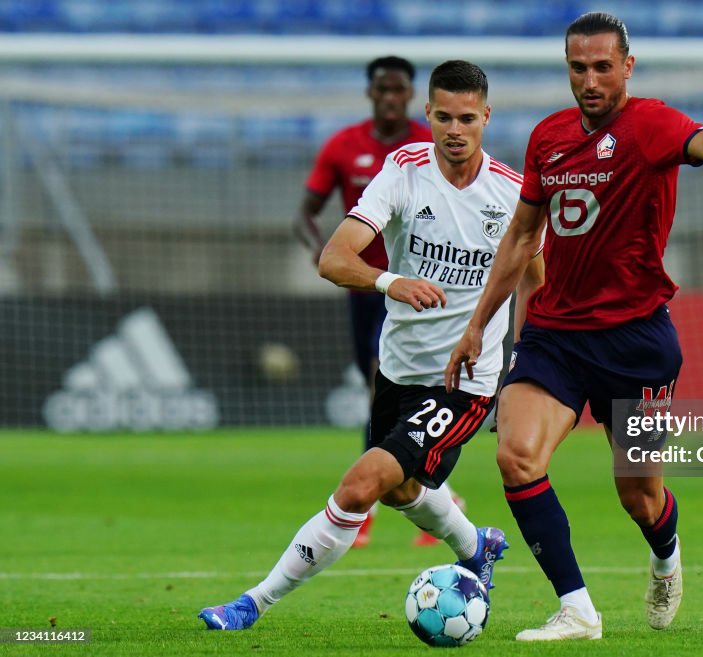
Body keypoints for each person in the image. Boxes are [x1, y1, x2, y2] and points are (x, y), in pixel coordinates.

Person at [445, 12, 703, 641]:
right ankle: (577, 607)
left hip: (635, 341)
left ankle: (666, 555)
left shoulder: (650, 124)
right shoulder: (547, 137)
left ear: (627, 66)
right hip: (554, 333)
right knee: (517, 457)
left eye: (603, 67)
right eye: (579, 68)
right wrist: (477, 325)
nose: (591, 80)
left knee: (638, 497)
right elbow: (523, 236)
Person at [200, 59, 544, 631]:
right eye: (442, 117)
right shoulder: (404, 171)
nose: (453, 130)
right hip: (398, 368)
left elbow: (537, 282)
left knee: (360, 485)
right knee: (403, 489)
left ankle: (252, 603)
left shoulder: (511, 192)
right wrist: (392, 280)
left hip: (463, 382)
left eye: (466, 118)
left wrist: (522, 365)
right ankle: (476, 547)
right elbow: (335, 259)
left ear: (486, 117)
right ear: (427, 115)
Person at [291, 56, 438, 548]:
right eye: (383, 89)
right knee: (380, 393)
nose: (391, 98)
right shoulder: (344, 146)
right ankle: (438, 496)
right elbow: (305, 214)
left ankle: (363, 507)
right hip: (363, 290)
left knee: (384, 391)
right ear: (371, 94)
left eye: (399, 89)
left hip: (416, 289)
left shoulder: (430, 143)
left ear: (410, 94)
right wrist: (324, 250)